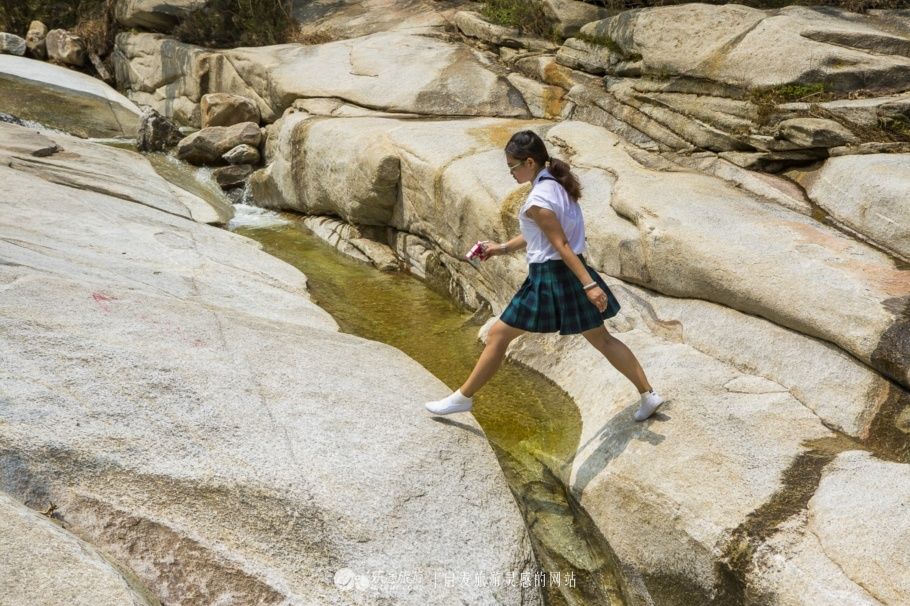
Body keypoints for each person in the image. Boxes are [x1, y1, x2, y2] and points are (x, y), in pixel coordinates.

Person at [424, 130, 665, 421]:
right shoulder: (558, 185)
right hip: (567, 272)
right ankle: (648, 394)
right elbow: (541, 236)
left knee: (498, 334)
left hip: (552, 276)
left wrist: (590, 285)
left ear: (529, 161)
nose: (510, 173)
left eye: (513, 166)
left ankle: (462, 398)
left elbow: (560, 244)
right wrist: (500, 248)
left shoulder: (539, 198)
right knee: (603, 339)